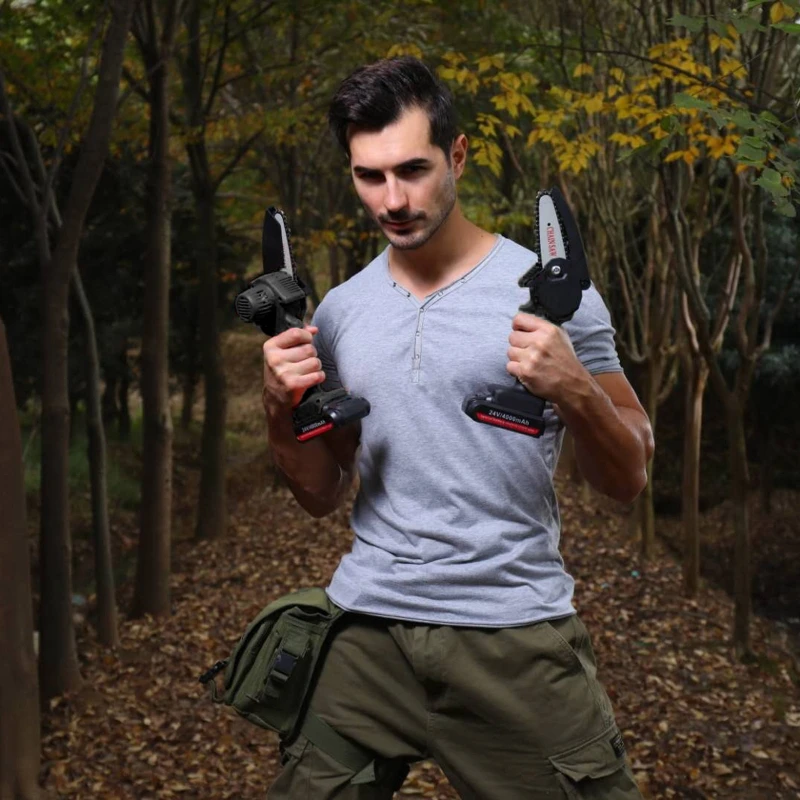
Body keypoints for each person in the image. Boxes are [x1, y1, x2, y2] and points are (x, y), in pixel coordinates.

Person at [261, 56, 653, 800]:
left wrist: (575, 388)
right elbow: (320, 492)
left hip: (512, 633)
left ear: (458, 155)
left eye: (413, 169)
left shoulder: (554, 293)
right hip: (366, 630)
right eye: (370, 176)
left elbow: (628, 477)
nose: (393, 199)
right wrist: (279, 407)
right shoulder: (341, 312)